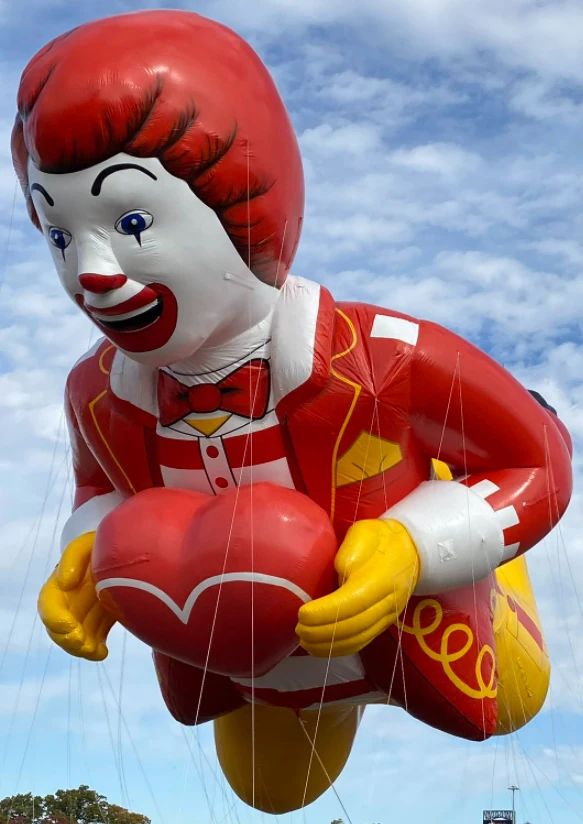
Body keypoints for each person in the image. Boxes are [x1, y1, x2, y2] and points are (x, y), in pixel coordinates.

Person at [13, 10, 573, 814]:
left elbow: (537, 457)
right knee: (268, 793)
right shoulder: (96, 393)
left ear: (243, 198)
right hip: (257, 665)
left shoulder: (386, 355)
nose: (90, 273)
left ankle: (474, 546)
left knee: (509, 698)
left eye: (132, 223)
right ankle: (317, 698)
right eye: (62, 237)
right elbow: (98, 488)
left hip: (415, 624)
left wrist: (418, 544)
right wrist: (86, 554)